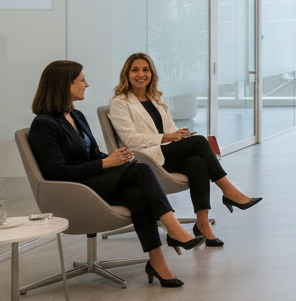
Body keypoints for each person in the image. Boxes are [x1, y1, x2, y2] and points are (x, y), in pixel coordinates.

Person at [28, 60, 204, 287]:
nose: (87, 84)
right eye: (82, 80)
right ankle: (174, 229)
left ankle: (158, 264)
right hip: (74, 190)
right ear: (65, 84)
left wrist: (113, 158)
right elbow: (57, 172)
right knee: (141, 169)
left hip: (92, 181)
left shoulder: (77, 115)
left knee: (138, 196)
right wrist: (106, 164)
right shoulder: (43, 124)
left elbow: (90, 153)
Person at [108, 53, 261, 248]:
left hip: (165, 153)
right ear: (126, 74)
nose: (141, 74)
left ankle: (203, 224)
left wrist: (178, 135)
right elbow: (130, 139)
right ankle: (228, 190)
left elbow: (170, 128)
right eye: (135, 70)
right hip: (145, 159)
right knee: (199, 143)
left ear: (152, 73)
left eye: (145, 69)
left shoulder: (156, 99)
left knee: (198, 162)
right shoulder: (120, 103)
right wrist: (167, 138)